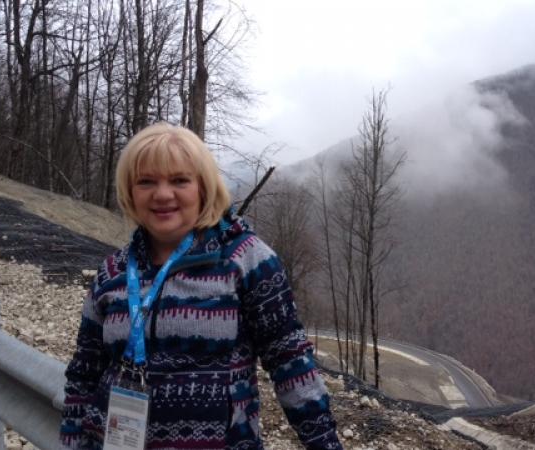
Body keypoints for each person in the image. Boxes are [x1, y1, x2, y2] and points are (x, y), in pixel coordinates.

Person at [60, 123, 342, 450]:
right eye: (146, 181)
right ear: (130, 191)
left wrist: (325, 443)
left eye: (179, 180)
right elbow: (84, 374)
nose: (163, 194)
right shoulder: (113, 271)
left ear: (203, 187)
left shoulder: (247, 260)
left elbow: (291, 365)